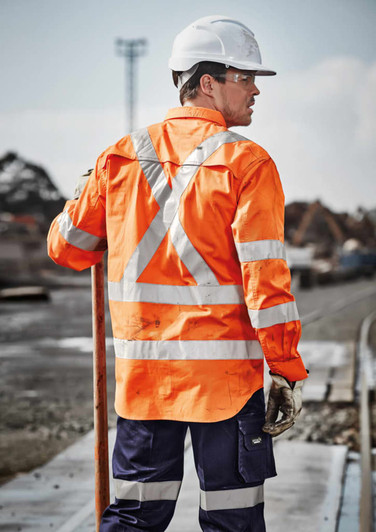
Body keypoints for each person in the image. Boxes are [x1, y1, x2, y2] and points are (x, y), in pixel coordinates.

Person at [48, 15, 308, 532]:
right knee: (232, 523)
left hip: (146, 388)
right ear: (208, 83)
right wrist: (285, 368)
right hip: (226, 392)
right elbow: (267, 282)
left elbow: (68, 249)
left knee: (134, 521)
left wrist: (79, 198)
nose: (256, 89)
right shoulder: (248, 164)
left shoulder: (118, 159)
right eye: (246, 77)